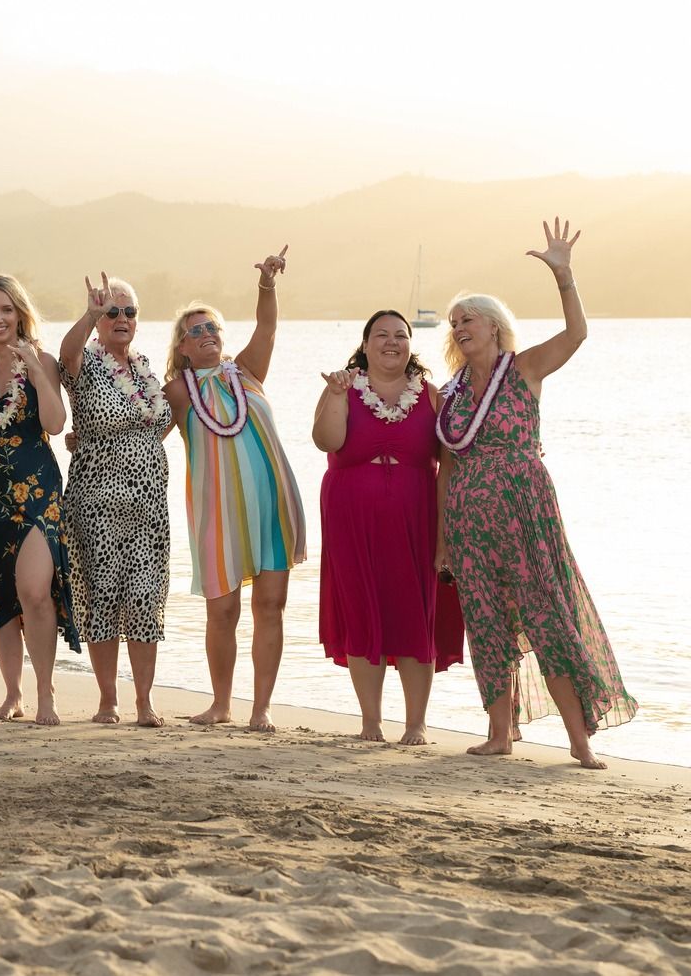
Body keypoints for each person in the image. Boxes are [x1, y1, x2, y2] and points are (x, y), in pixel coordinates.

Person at [437, 218, 636, 769]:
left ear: (495, 326)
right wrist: (442, 542)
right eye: (453, 323)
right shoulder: (449, 397)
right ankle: (499, 734)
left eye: (467, 319)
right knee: (484, 621)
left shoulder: (523, 369)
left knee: (547, 616)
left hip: (526, 514)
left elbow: (576, 335)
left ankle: (579, 741)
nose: (458, 328)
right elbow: (446, 472)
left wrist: (564, 278)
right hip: (468, 523)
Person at [161, 248, 305, 732]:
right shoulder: (178, 391)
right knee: (222, 610)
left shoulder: (246, 372)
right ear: (182, 346)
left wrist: (267, 285)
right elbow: (139, 430)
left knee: (270, 606)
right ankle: (220, 703)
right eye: (195, 330)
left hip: (271, 504)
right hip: (216, 511)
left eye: (212, 328)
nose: (206, 335)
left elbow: (266, 328)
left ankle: (260, 708)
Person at [313, 310, 464, 744]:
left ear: (411, 346)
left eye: (401, 335)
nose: (391, 341)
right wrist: (338, 397)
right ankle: (371, 722)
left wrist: (444, 538)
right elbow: (326, 441)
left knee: (415, 613)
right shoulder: (340, 388)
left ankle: (416, 723)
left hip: (416, 517)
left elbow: (451, 462)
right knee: (363, 610)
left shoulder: (432, 396)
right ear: (365, 345)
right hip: (350, 518)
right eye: (381, 334)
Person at [0, 274, 78, 726]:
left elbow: (56, 423)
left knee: (34, 592)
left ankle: (46, 693)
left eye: (6, 309)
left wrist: (39, 373)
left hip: (38, 491)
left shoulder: (41, 358)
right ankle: (13, 695)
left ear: (20, 313)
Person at [59, 273, 172, 727]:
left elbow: (161, 419)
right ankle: (108, 700)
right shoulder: (84, 364)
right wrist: (89, 313)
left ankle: (145, 702)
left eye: (129, 312)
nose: (120, 319)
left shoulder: (146, 369)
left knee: (145, 598)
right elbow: (64, 355)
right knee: (102, 596)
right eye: (112, 312)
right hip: (96, 501)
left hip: (149, 504)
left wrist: (144, 450)